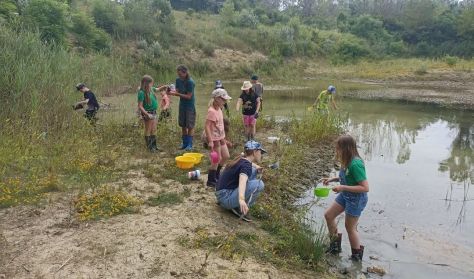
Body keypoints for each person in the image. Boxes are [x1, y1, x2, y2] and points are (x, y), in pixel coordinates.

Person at [323, 135, 369, 261]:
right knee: (328, 215)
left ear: (346, 148)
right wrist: (333, 179)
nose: (336, 151)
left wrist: (342, 187)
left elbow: (365, 188)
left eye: (338, 148)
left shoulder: (356, 164)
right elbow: (348, 178)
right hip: (346, 195)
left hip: (356, 199)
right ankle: (335, 247)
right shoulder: (346, 160)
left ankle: (356, 257)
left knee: (350, 228)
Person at [215, 140, 266, 222]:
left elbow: (250, 167)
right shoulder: (246, 166)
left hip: (221, 195)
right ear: (254, 152)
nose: (261, 155)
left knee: (254, 171)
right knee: (259, 184)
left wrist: (257, 167)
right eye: (260, 152)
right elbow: (242, 179)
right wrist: (241, 199)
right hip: (226, 198)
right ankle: (239, 208)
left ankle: (234, 203)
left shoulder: (241, 159)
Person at [205, 88, 232, 187]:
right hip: (214, 139)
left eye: (225, 100)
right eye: (223, 99)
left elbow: (220, 125)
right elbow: (207, 126)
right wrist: (210, 140)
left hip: (221, 137)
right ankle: (211, 180)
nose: (225, 101)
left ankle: (217, 174)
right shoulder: (211, 111)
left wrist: (225, 139)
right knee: (216, 159)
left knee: (226, 156)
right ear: (216, 99)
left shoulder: (220, 109)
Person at [137, 75, 168, 152]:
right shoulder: (141, 92)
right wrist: (146, 114)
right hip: (148, 113)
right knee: (148, 130)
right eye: (151, 83)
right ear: (146, 84)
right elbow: (140, 106)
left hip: (154, 112)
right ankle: (150, 148)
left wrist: (164, 86)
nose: (152, 84)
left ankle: (154, 146)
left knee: (153, 130)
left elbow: (158, 89)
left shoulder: (151, 89)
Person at [168, 65, 196, 151]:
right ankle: (184, 144)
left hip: (189, 106)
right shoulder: (178, 80)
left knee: (190, 126)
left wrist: (177, 94)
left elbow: (188, 96)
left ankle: (189, 145)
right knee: (183, 125)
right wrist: (170, 91)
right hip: (182, 105)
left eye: (180, 74)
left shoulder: (190, 82)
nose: (179, 76)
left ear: (185, 72)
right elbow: (177, 91)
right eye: (178, 74)